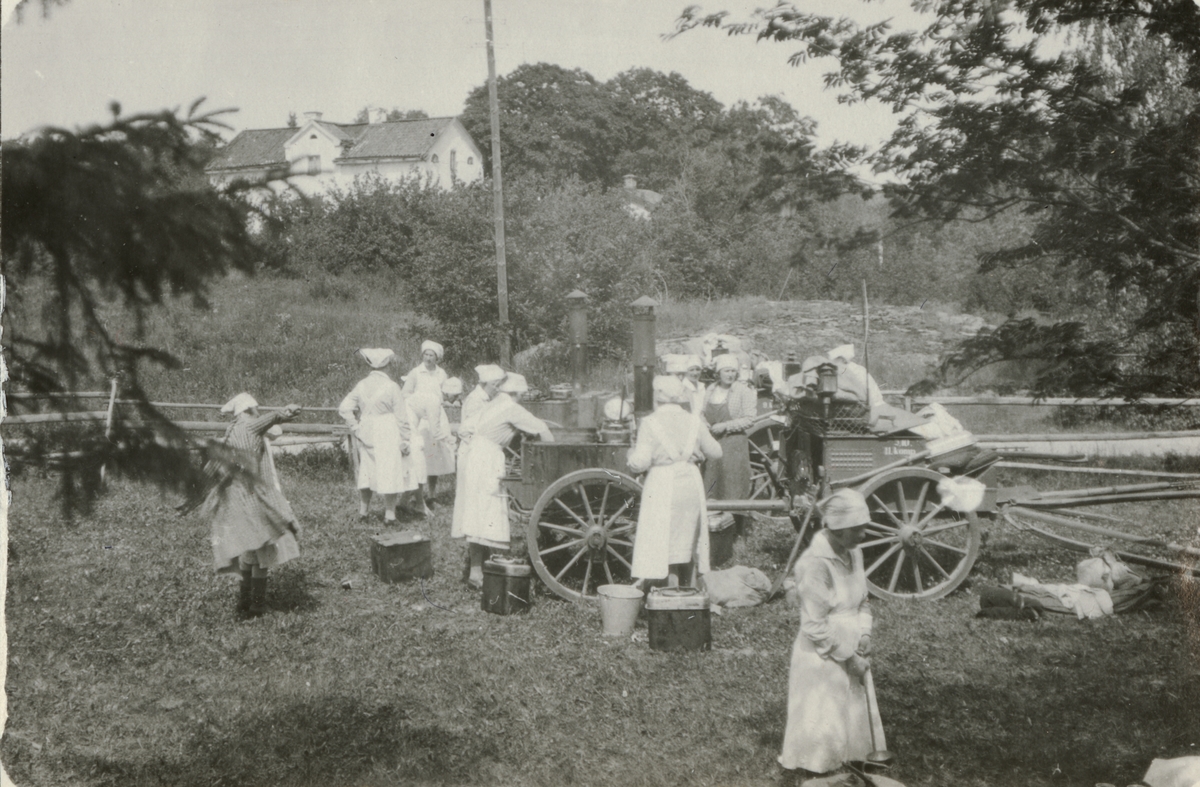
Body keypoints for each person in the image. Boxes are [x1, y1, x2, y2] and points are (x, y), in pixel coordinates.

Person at [779, 488, 886, 777]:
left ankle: (852, 759)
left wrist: (864, 634)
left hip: (853, 643)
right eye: (857, 528)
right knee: (826, 717)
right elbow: (814, 625)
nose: (863, 534)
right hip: (822, 654)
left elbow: (863, 600)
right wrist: (848, 658)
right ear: (837, 529)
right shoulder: (816, 564)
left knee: (853, 712)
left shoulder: (856, 553)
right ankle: (819, 770)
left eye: (864, 526)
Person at [203, 392, 303, 619]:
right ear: (249, 410)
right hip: (255, 497)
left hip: (237, 498)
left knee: (249, 550)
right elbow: (272, 419)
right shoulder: (249, 425)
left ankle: (244, 603)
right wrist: (287, 411)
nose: (258, 412)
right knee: (263, 552)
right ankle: (257, 606)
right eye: (256, 408)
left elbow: (212, 468)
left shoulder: (231, 432)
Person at [452, 372, 555, 588]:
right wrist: (554, 452)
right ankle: (482, 571)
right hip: (487, 459)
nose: (522, 400)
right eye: (522, 396)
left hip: (474, 455)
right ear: (516, 393)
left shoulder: (493, 403)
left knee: (477, 512)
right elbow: (542, 430)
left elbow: (464, 428)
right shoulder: (511, 407)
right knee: (487, 510)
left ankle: (477, 570)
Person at [627, 375, 723, 589]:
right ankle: (689, 590)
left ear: (658, 397)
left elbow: (640, 463)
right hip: (690, 482)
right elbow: (716, 452)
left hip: (662, 483)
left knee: (665, 537)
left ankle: (669, 592)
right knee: (687, 537)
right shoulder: (694, 420)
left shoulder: (650, 423)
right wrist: (697, 453)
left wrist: (630, 454)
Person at [338, 348, 412, 524]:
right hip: (387, 429)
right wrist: (406, 439)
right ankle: (390, 515)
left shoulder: (361, 385)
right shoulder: (392, 386)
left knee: (367, 470)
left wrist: (355, 428)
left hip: (367, 429)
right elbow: (401, 417)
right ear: (387, 365)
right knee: (390, 470)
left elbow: (344, 408)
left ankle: (363, 512)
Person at [702, 353, 757, 503]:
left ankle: (734, 519)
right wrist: (705, 423)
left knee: (732, 483)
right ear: (718, 372)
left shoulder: (743, 391)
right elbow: (702, 412)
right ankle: (712, 518)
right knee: (711, 481)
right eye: (726, 371)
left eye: (733, 371)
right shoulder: (711, 389)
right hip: (712, 442)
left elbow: (750, 419)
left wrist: (725, 426)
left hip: (734, 444)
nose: (730, 374)